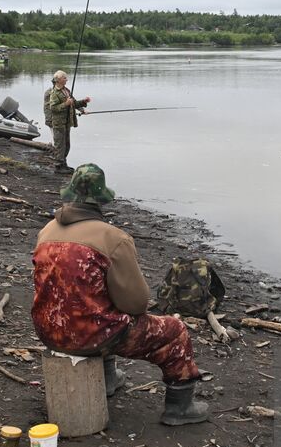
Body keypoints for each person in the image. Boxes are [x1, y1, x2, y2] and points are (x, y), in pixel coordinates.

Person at [31, 164, 209, 426]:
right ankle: (179, 407)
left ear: (70, 195)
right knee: (175, 331)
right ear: (102, 199)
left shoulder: (45, 232)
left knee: (97, 309)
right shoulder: (113, 238)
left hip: (48, 331)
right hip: (91, 336)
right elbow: (136, 303)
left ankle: (108, 380)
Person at [43, 69, 90, 173]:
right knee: (60, 145)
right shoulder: (54, 93)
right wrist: (66, 104)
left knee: (67, 145)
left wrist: (83, 102)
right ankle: (59, 166)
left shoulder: (67, 90)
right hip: (58, 123)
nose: (67, 79)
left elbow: (74, 103)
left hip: (67, 122)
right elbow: (53, 108)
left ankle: (64, 163)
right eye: (64, 78)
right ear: (58, 80)